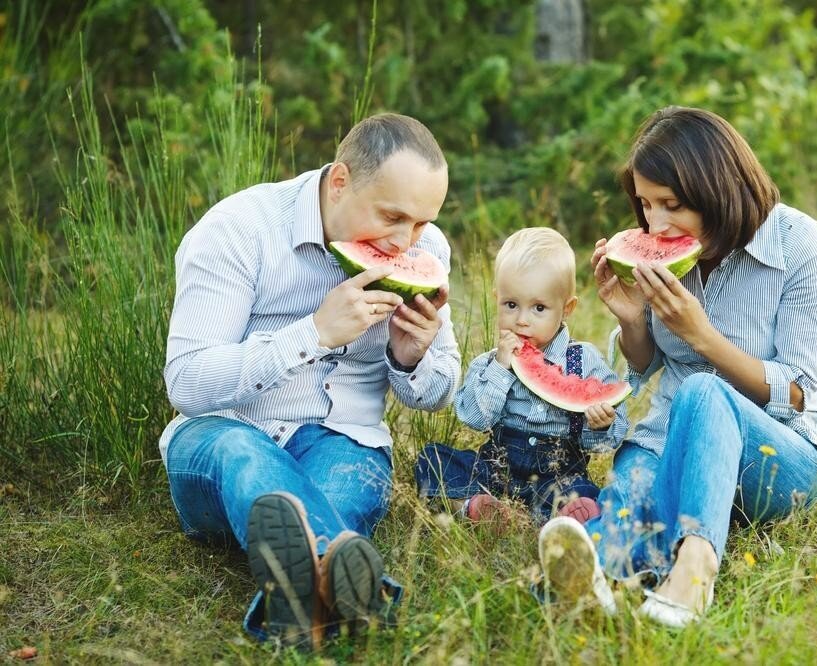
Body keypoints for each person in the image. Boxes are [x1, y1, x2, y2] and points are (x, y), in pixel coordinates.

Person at [159, 113, 461, 649]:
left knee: (328, 504)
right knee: (244, 454)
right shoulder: (238, 229)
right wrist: (314, 333)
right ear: (340, 180)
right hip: (221, 436)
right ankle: (360, 597)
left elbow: (436, 395)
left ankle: (301, 609)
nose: (403, 241)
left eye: (420, 223)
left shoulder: (426, 248)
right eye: (392, 217)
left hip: (346, 440)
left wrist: (411, 355)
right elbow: (187, 382)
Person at [537, 105, 817, 626]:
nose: (655, 223)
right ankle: (593, 573)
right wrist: (633, 320)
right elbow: (649, 362)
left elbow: (797, 391)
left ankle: (696, 568)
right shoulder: (663, 251)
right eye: (645, 205)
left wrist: (702, 334)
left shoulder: (800, 244)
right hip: (663, 441)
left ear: (717, 188)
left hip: (777, 455)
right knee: (630, 513)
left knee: (702, 390)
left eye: (671, 205)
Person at [415, 227, 629, 526]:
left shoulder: (583, 360)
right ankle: (474, 507)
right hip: (494, 472)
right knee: (432, 459)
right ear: (496, 299)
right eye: (511, 305)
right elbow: (474, 419)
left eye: (539, 308)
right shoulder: (489, 363)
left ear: (566, 309)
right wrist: (500, 370)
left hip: (557, 478)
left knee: (582, 493)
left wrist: (601, 424)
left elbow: (605, 442)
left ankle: (565, 517)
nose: (522, 320)